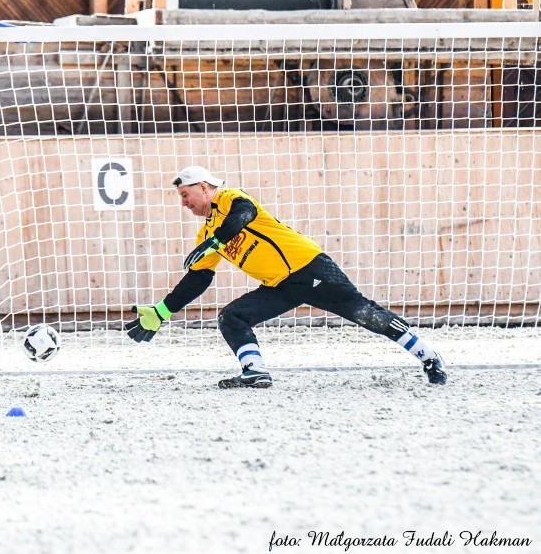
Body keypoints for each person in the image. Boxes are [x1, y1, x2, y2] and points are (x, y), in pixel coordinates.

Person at [125, 165, 447, 389]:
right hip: (279, 286)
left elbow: (244, 216)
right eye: (181, 197)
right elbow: (198, 280)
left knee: (364, 314)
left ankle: (428, 356)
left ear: (205, 188)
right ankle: (255, 372)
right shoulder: (207, 234)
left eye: (185, 194)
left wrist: (217, 241)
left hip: (311, 268)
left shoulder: (230, 198)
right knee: (232, 316)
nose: (183, 202)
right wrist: (162, 311)